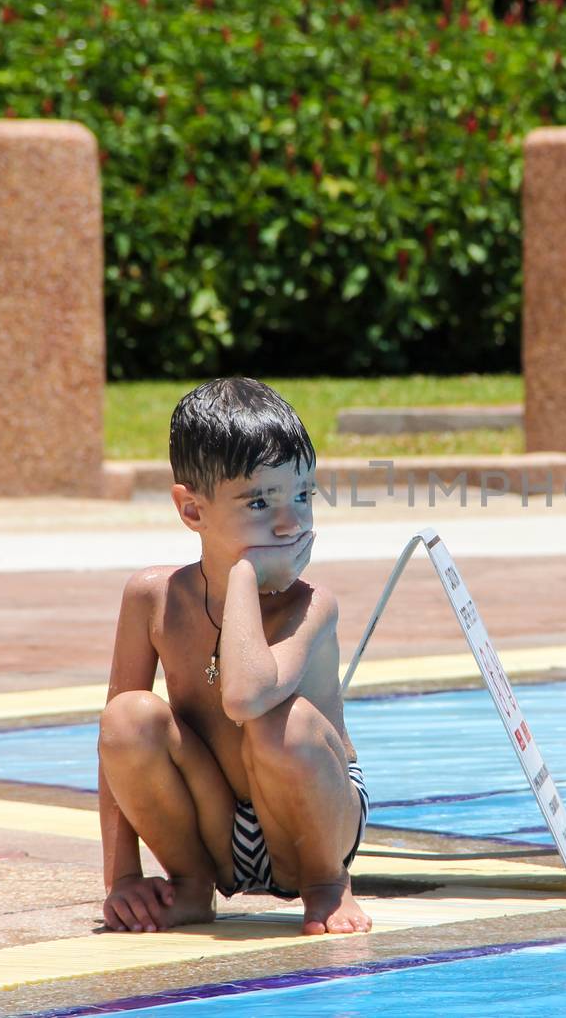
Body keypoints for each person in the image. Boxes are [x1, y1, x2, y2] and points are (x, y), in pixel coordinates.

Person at [96, 377, 371, 936]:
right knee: (128, 716)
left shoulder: (312, 605)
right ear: (192, 510)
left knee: (282, 724)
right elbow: (114, 749)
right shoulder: (152, 598)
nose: (291, 522)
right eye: (259, 502)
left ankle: (326, 887)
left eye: (302, 495)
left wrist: (242, 572)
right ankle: (193, 887)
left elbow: (246, 696)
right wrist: (121, 877)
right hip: (213, 818)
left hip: (316, 820)